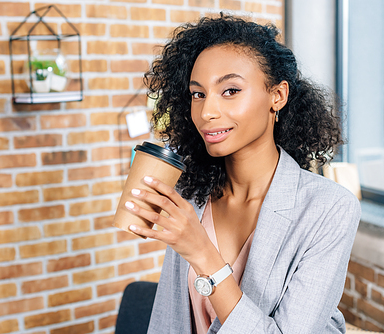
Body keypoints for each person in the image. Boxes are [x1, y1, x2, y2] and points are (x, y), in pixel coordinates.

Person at [124, 14, 361, 334]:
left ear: (277, 96)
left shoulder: (329, 208)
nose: (207, 112)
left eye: (231, 90)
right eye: (198, 94)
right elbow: (170, 317)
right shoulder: (191, 195)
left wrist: (201, 251)